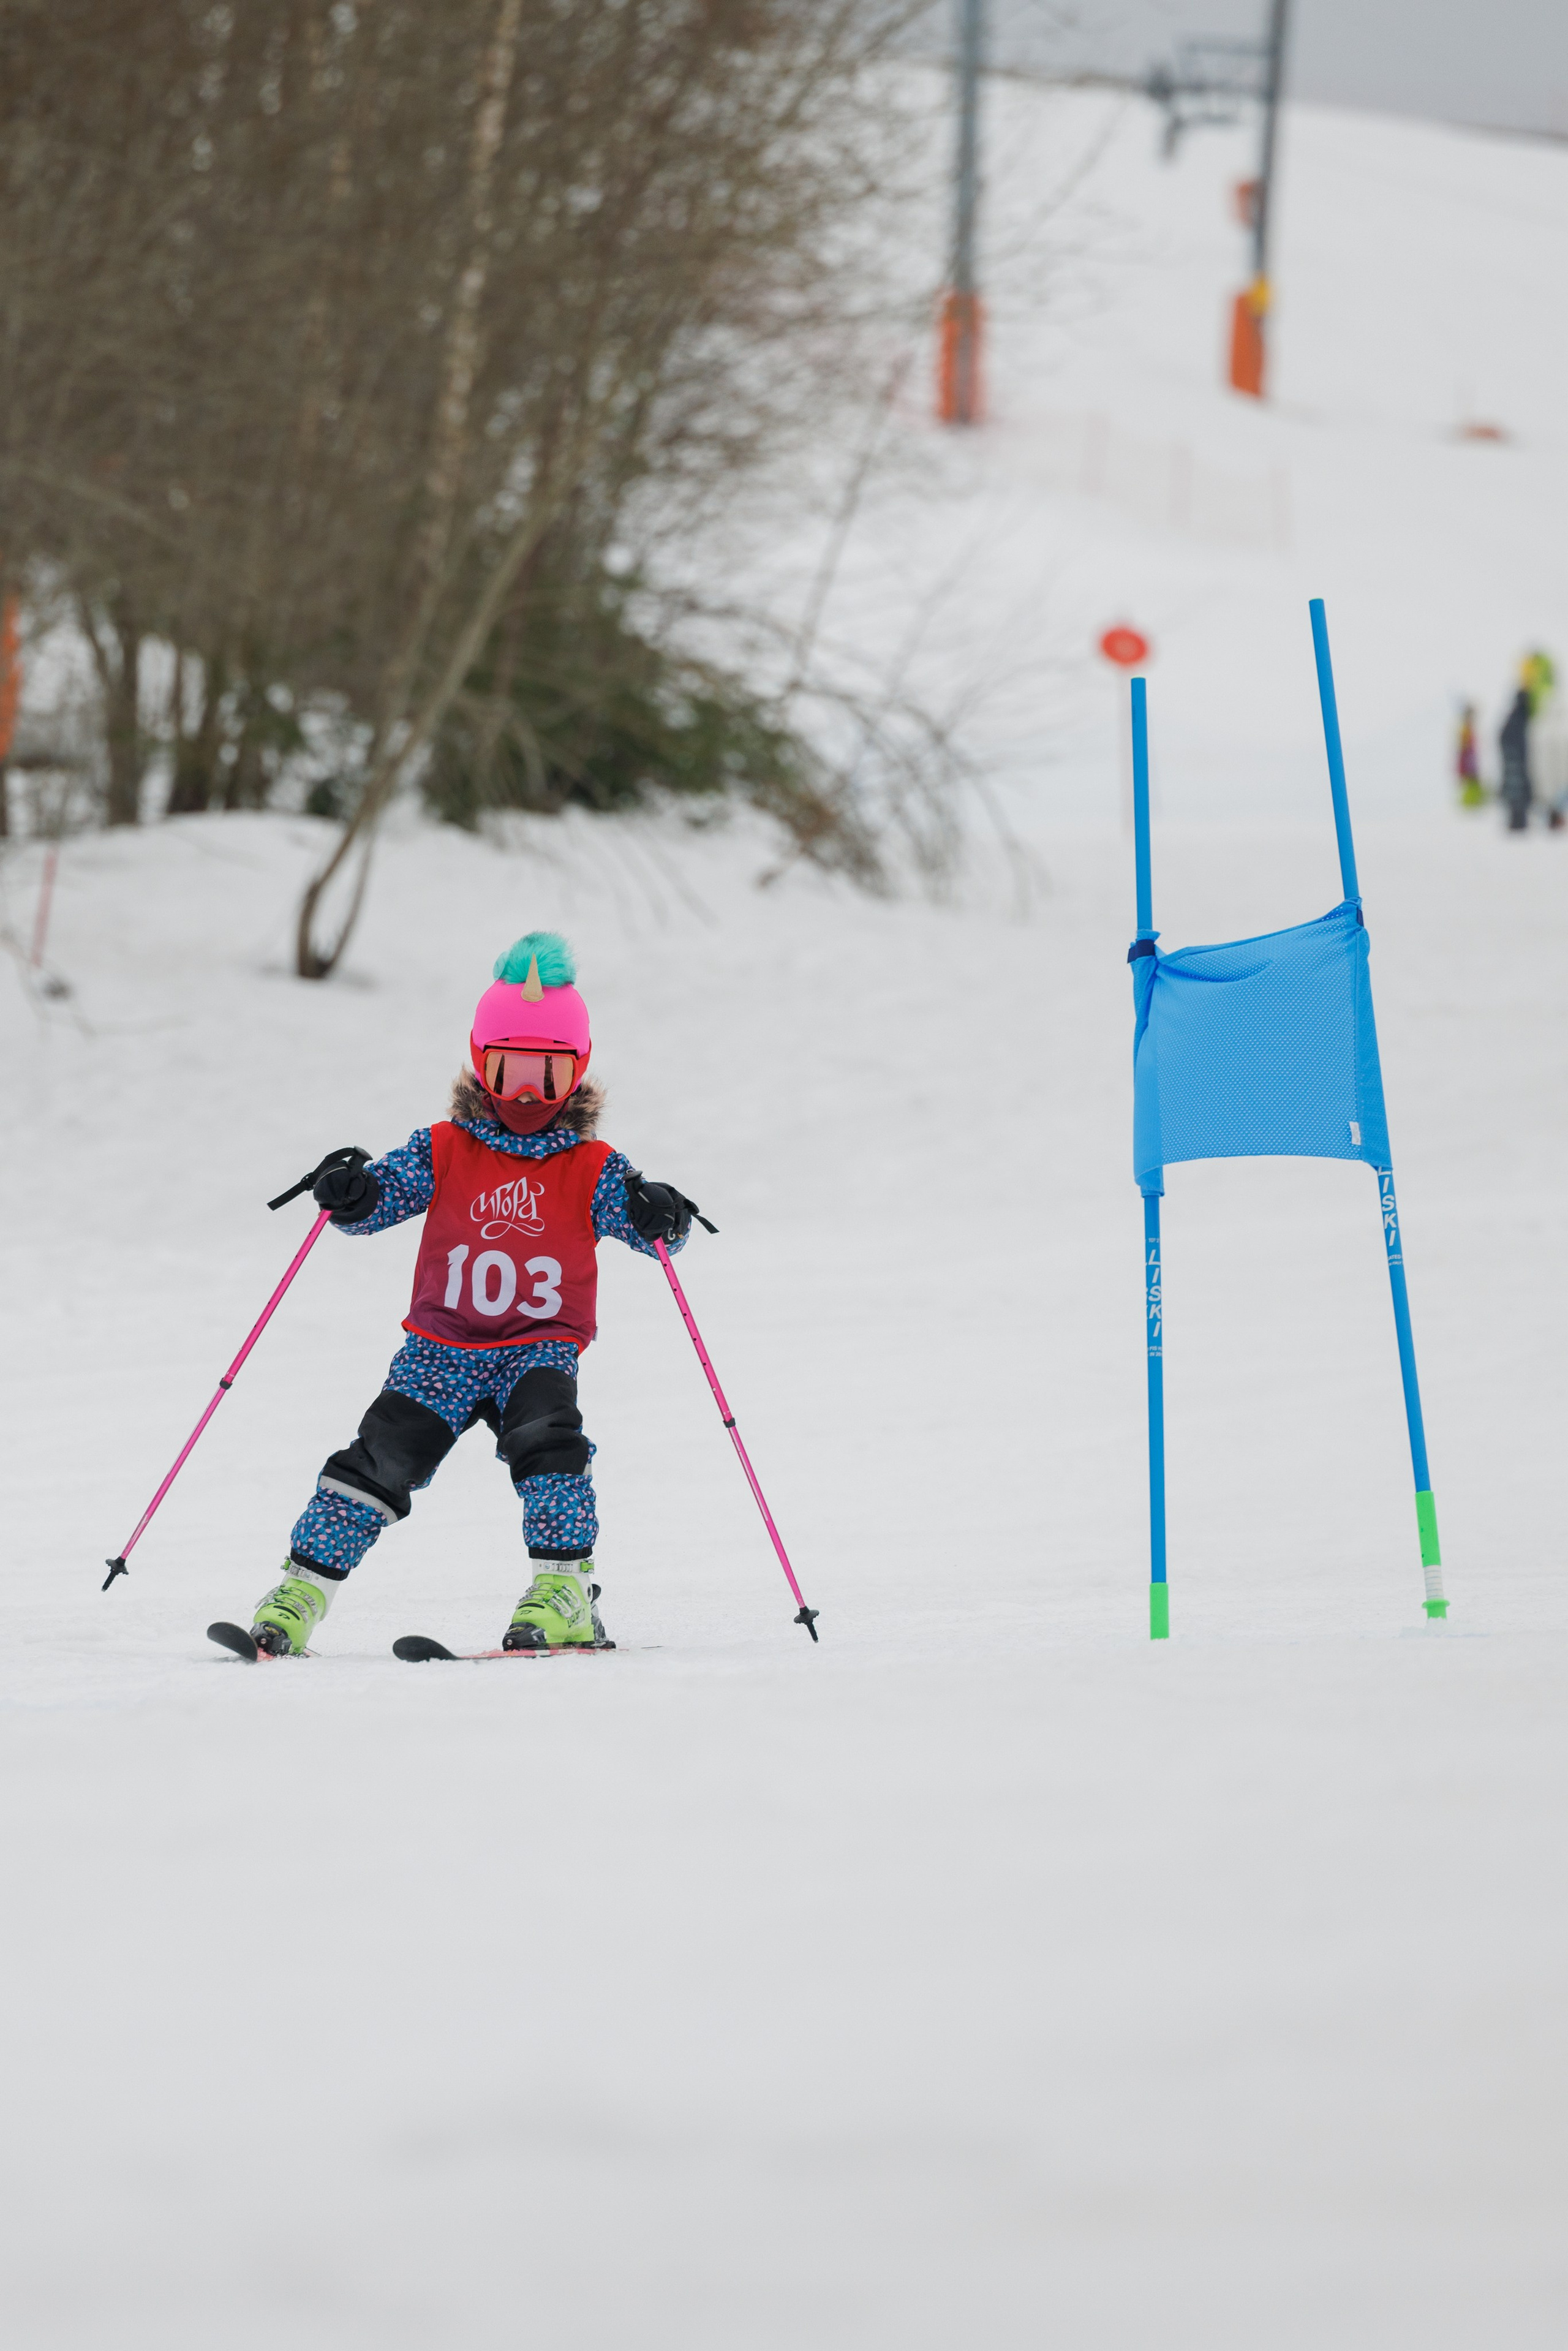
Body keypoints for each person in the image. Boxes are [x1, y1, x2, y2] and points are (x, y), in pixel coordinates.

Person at [239, 931, 701, 1655]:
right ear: (480, 1064)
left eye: (546, 1076)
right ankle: (301, 1592)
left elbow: (659, 1240)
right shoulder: (444, 1148)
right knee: (379, 1461)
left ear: (574, 1074)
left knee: (549, 1451)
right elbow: (377, 1205)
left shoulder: (593, 1165)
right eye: (508, 1068)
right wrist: (353, 1194)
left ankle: (565, 1592)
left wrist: (661, 1215)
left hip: (538, 1347)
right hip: (440, 1348)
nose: (524, 1092)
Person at [1499, 684, 1532, 831]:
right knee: (1518, 792)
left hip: (1514, 761)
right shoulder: (1521, 716)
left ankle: (1517, 823)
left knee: (1516, 793)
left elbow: (1502, 736)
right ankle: (1518, 823)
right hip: (1517, 761)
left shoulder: (1515, 716)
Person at [1455, 703, 1485, 807]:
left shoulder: (1468, 728)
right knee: (1470, 781)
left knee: (1473, 780)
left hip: (1470, 759)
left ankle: (1474, 800)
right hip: (1468, 760)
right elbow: (1464, 747)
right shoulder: (1465, 729)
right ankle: (1471, 802)